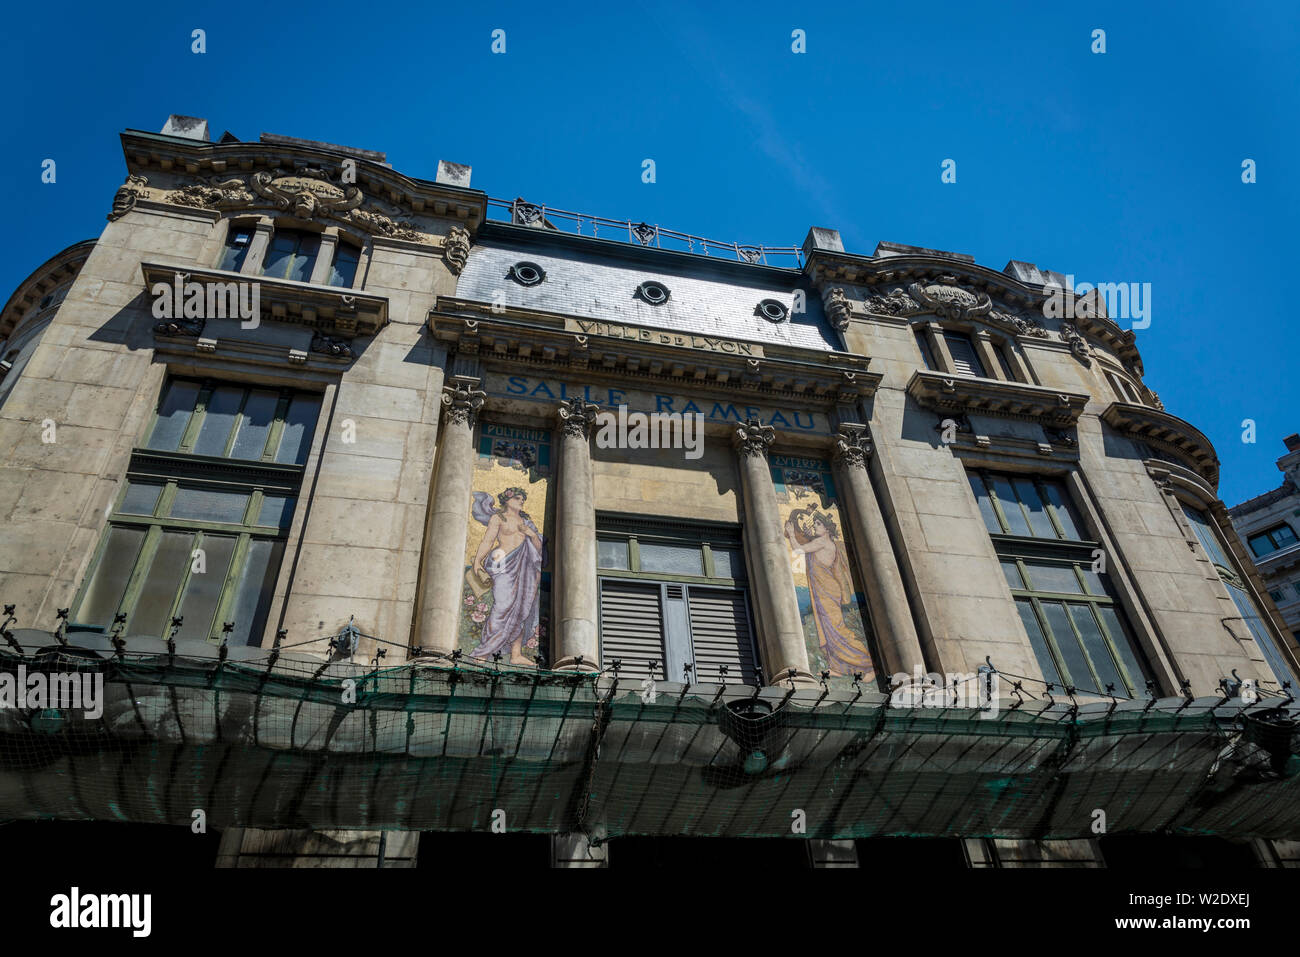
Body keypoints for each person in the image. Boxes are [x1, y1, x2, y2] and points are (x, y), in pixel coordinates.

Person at [783, 509, 874, 677]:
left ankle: (866, 664)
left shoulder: (823, 542)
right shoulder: (822, 541)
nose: (815, 526)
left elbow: (798, 550)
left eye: (818, 524)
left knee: (837, 630)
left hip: (828, 592)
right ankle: (838, 668)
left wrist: (790, 533)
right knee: (827, 629)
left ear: (827, 529)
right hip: (823, 592)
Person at [469, 487, 544, 664]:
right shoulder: (499, 518)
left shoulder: (526, 522)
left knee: (521, 609)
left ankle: (516, 654)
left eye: (523, 499)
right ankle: (484, 652)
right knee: (502, 607)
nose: (521, 501)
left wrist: (531, 534)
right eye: (518, 498)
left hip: (525, 568)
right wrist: (477, 562)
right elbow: (488, 540)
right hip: (503, 565)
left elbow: (538, 547)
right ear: (507, 500)